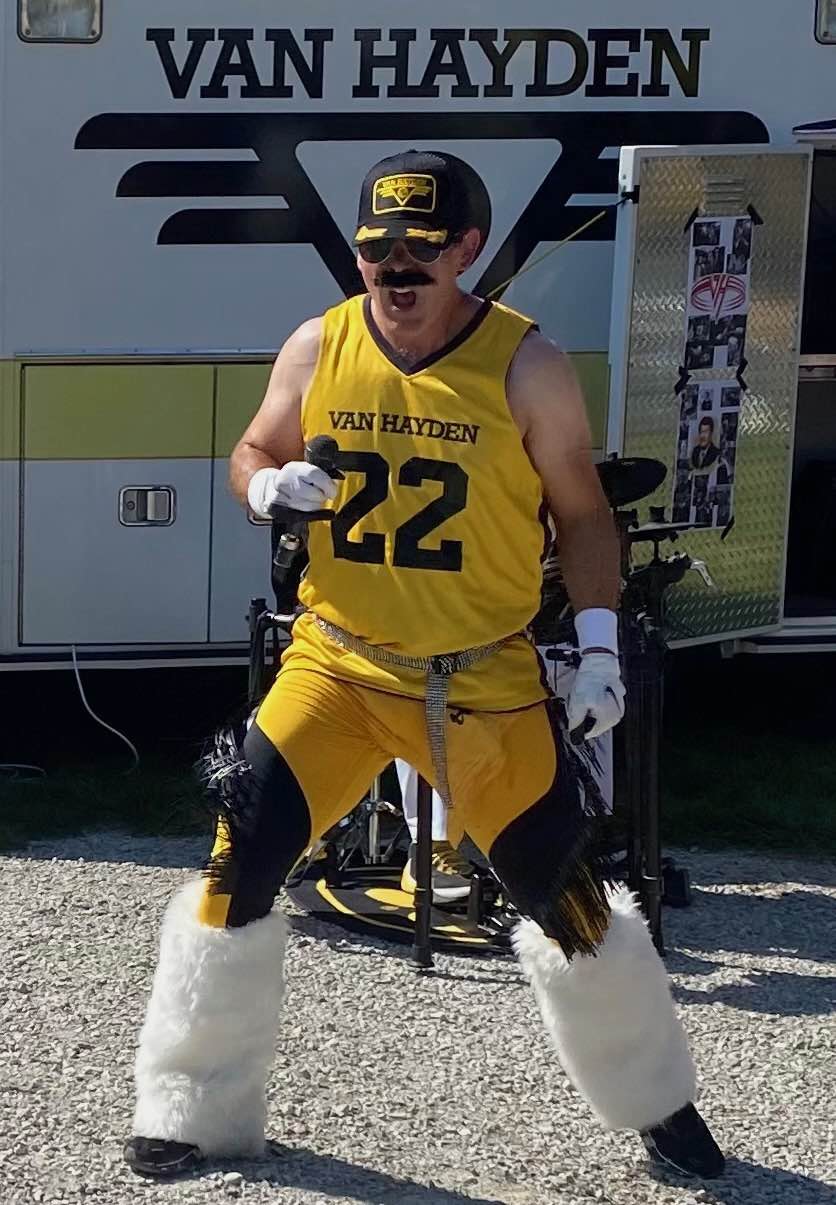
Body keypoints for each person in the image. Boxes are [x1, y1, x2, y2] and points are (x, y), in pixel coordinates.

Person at [124, 150, 724, 1182]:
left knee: (566, 896)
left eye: (419, 250)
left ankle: (657, 1099)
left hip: (478, 680)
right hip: (339, 667)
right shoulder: (319, 341)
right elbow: (250, 449)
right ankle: (189, 1102)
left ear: (467, 250)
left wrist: (592, 647)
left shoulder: (525, 364)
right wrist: (267, 490)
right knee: (237, 863)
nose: (395, 271)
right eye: (376, 249)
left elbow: (582, 517)